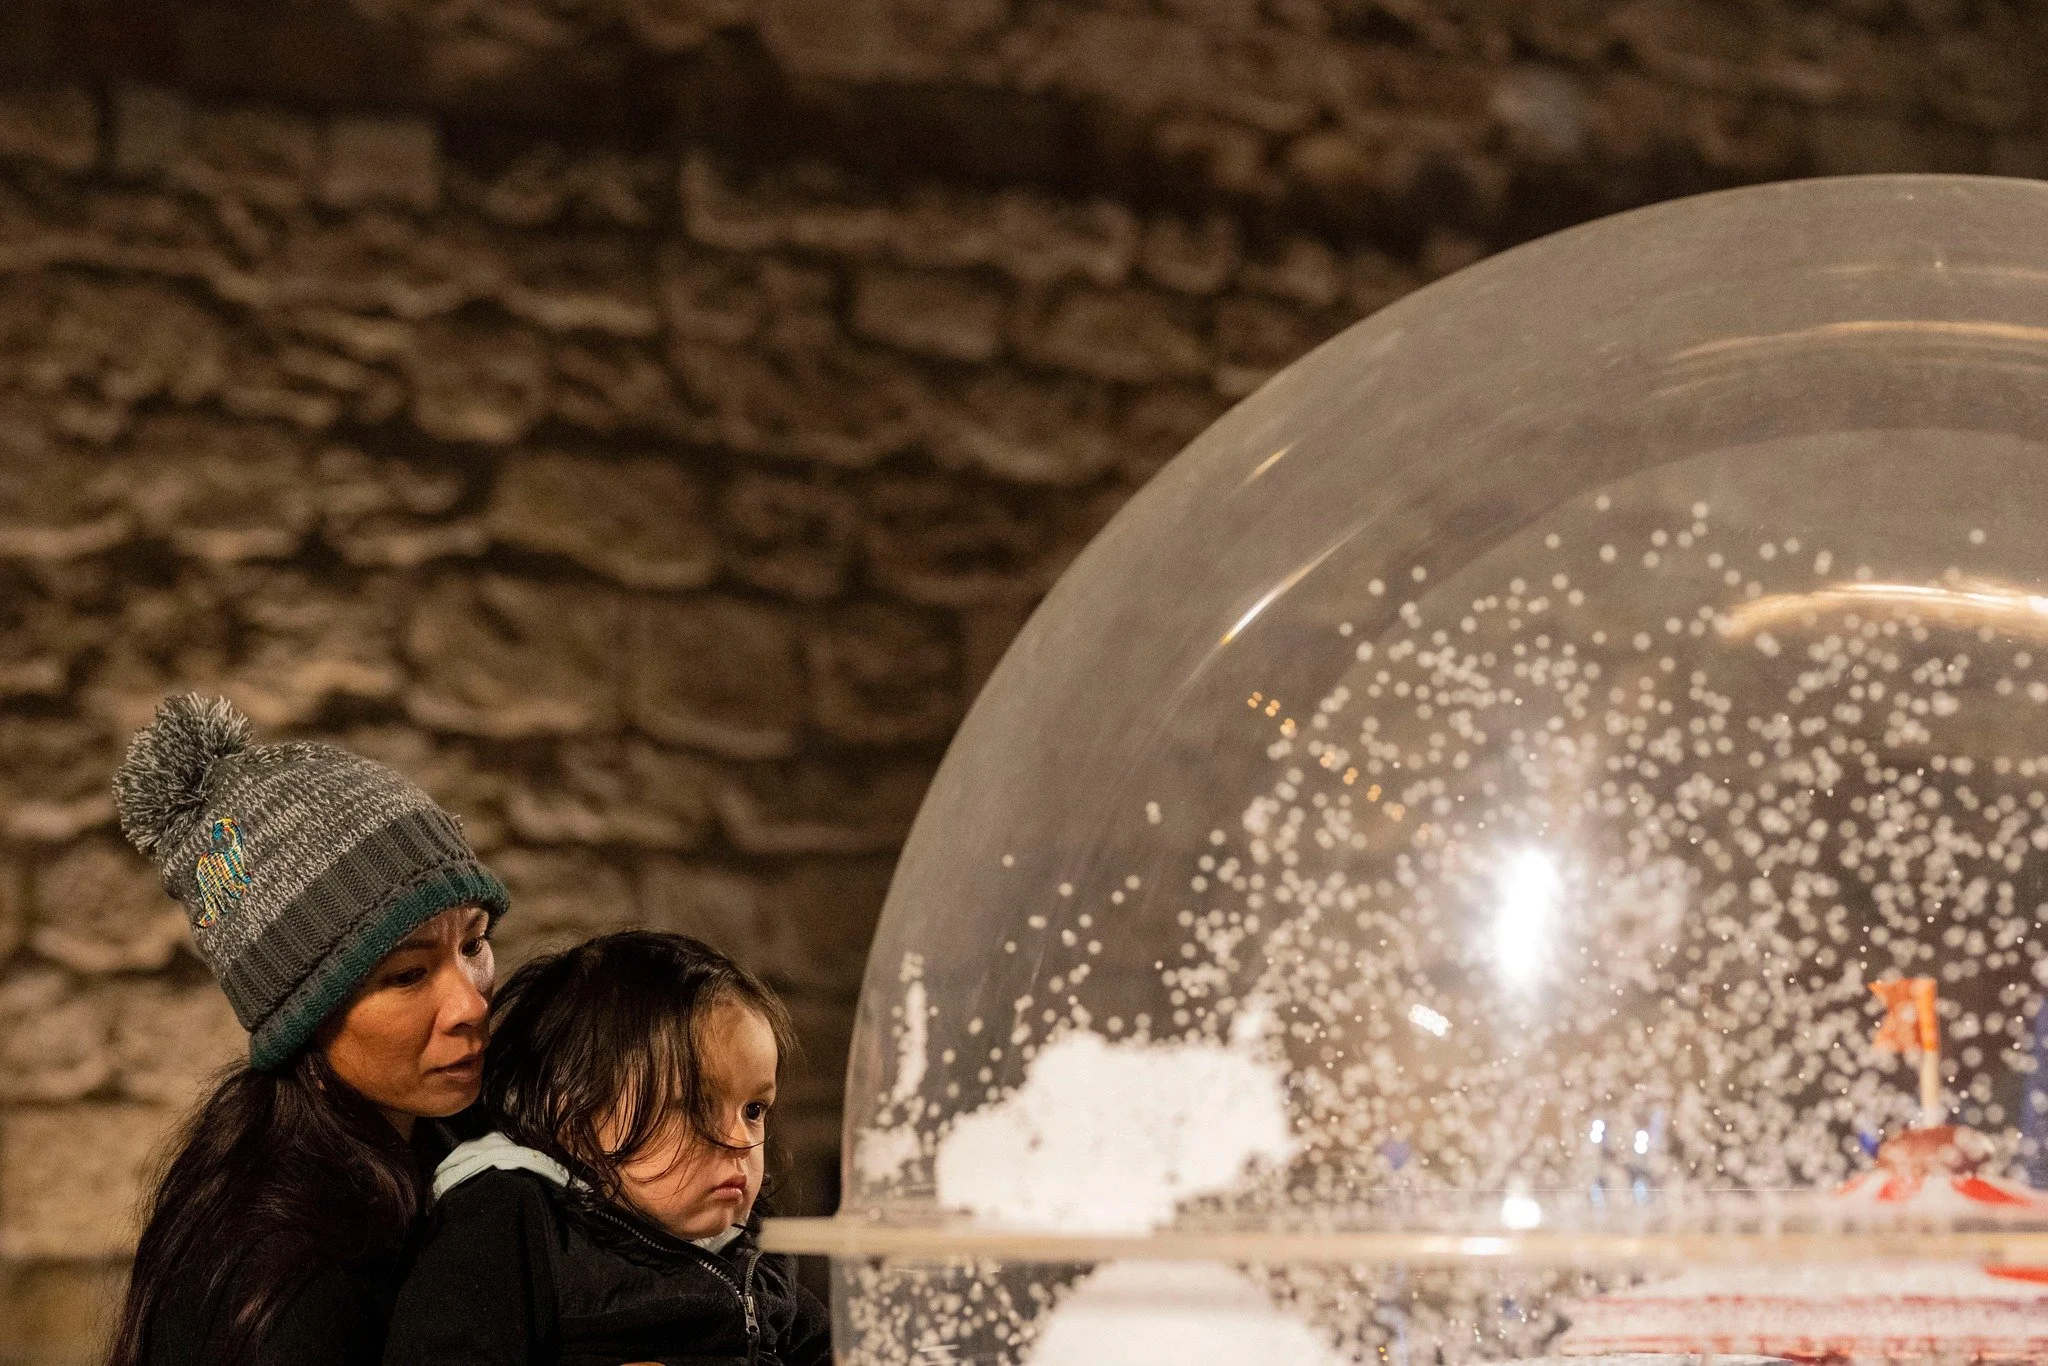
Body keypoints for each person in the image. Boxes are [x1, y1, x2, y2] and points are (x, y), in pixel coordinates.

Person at [104, 694, 511, 1366]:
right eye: (407, 976)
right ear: (303, 1014)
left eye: (474, 944)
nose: (470, 1004)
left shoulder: (448, 1154)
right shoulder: (291, 1283)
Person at [383, 930, 831, 1366]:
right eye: (693, 1107)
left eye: (754, 1109)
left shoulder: (753, 1248)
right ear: (574, 1117)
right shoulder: (509, 1217)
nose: (740, 1140)